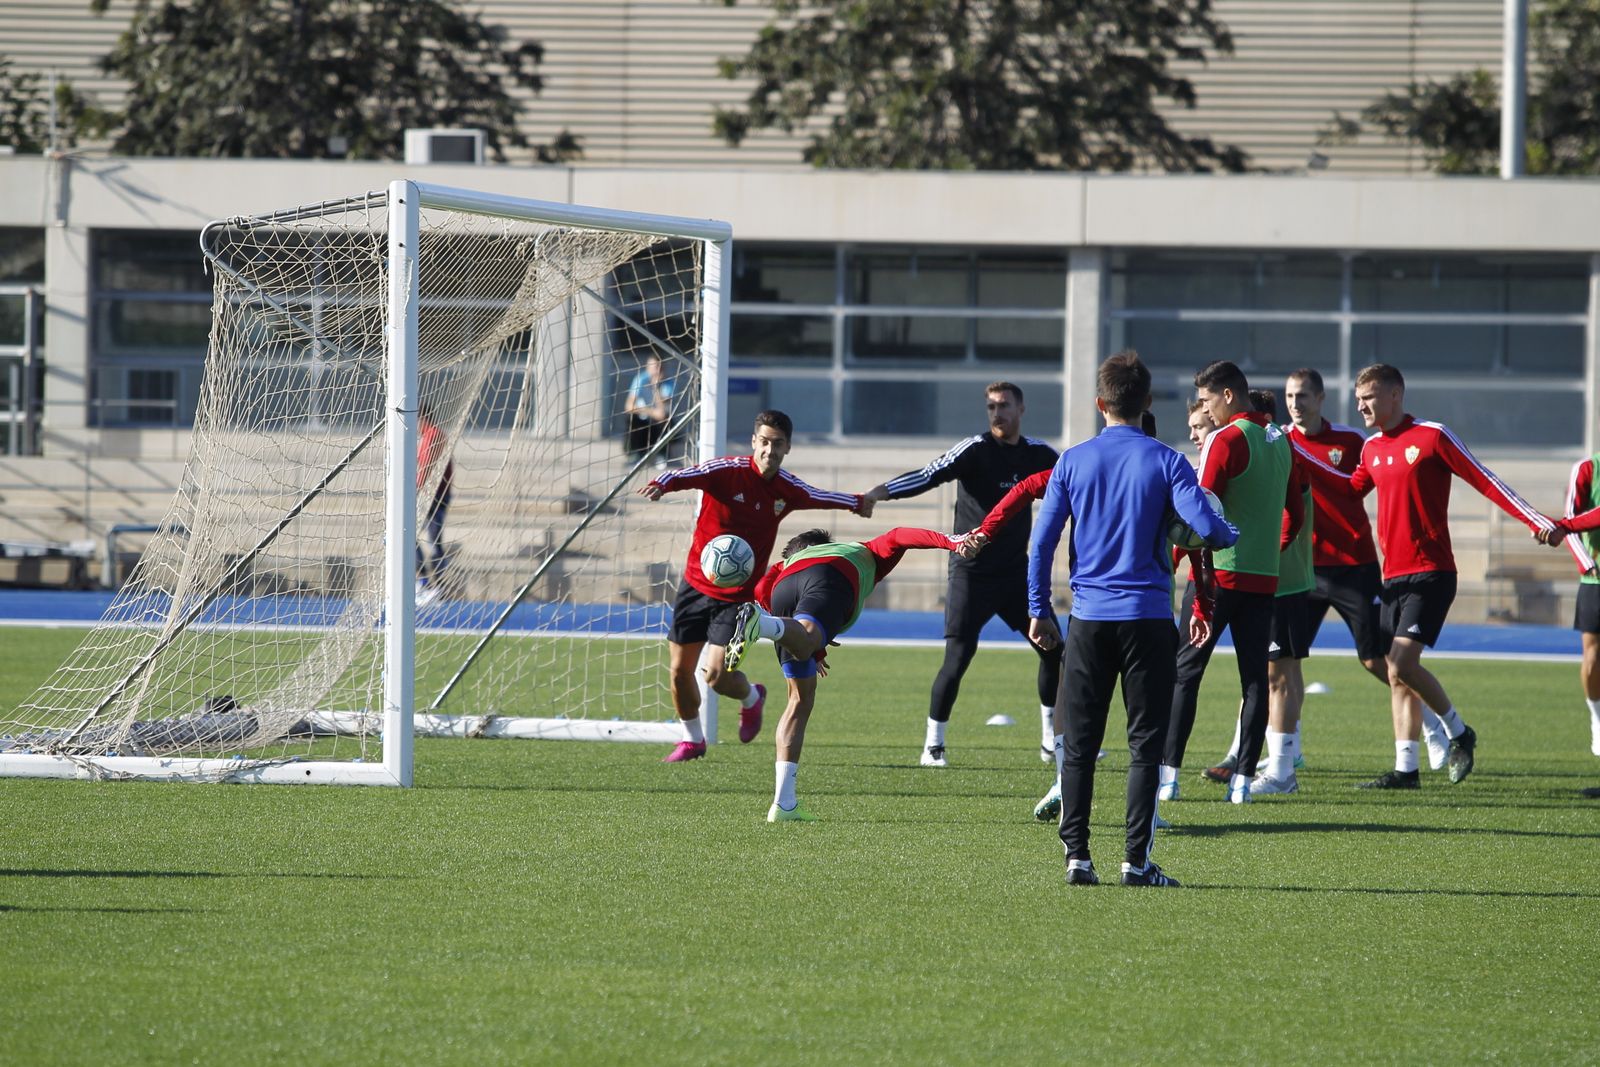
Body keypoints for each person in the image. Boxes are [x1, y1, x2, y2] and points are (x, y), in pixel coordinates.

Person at [1028, 351, 1237, 887]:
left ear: (1100, 403)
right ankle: (1136, 863)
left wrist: (1039, 609)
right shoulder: (1168, 461)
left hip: (1088, 620)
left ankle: (1078, 858)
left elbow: (1042, 544)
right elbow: (1205, 526)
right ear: (1146, 402)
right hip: (1147, 621)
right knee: (1145, 747)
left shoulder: (1072, 461)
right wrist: (1226, 532)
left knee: (1080, 745)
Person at [1303, 364, 1562, 788]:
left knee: (1402, 662)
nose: (1361, 405)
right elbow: (1350, 490)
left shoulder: (1432, 436)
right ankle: (1406, 769)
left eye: (1369, 397)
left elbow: (1485, 480)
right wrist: (1301, 460)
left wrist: (1535, 520)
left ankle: (1459, 732)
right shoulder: (1371, 449)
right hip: (1392, 577)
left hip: (1431, 572)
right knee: (1395, 672)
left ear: (1395, 395)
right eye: (1358, 398)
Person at [637, 410, 868, 762]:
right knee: (680, 673)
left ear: (787, 447)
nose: (769, 450)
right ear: (753, 441)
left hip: (739, 599)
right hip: (695, 586)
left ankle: (752, 697)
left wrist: (858, 503)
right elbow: (689, 474)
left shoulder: (786, 489)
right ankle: (692, 739)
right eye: (764, 442)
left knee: (716, 676)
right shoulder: (726, 471)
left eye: (777, 444)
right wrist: (663, 483)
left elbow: (819, 495)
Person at [859, 382, 1061, 767]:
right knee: (958, 657)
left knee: (1053, 650)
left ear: (1021, 409)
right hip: (971, 572)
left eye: (1004, 405)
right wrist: (881, 492)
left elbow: (1076, 480)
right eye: (991, 406)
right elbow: (928, 474)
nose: (997, 412)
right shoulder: (975, 449)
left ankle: (1052, 740)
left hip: (1015, 574)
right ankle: (933, 746)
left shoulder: (1039, 454)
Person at [724, 525, 982, 821]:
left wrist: (810, 646)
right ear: (823, 545)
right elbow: (899, 535)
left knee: (798, 699)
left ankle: (784, 804)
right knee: (802, 667)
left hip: (781, 592)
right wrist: (950, 542)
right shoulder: (860, 551)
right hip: (829, 576)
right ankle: (764, 625)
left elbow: (761, 591)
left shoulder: (782, 566)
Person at [1275, 368, 1453, 774]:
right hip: (1305, 569)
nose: (1295, 404)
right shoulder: (1281, 442)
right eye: (1289, 397)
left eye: (1302, 396)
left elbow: (1361, 484)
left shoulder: (1354, 441)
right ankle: (1282, 753)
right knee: (1282, 661)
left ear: (1320, 399)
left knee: (1377, 661)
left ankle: (1431, 725)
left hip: (1354, 566)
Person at [1161, 361, 1302, 806]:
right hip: (1263, 579)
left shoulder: (1225, 439)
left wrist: (1170, 561)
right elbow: (1296, 512)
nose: (1205, 410)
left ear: (1227, 395)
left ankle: (1167, 778)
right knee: (1255, 681)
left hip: (1216, 577)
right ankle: (1242, 784)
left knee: (1185, 675)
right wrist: (1271, 548)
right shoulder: (1281, 439)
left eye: (1206, 401)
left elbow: (1197, 513)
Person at [416, 401, 453, 608]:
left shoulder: (434, 436)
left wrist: (416, 489)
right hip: (430, 496)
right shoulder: (427, 437)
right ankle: (426, 584)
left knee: (433, 542)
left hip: (434, 498)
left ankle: (434, 587)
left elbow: (427, 467)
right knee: (413, 538)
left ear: (422, 419)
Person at [623, 354, 676, 468]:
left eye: (659, 367)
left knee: (666, 421)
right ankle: (636, 455)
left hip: (658, 421)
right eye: (654, 367)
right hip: (643, 417)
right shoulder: (640, 379)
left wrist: (655, 388)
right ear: (648, 368)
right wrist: (650, 411)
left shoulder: (669, 382)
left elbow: (662, 412)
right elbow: (629, 406)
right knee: (631, 419)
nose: (656, 371)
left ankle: (661, 454)